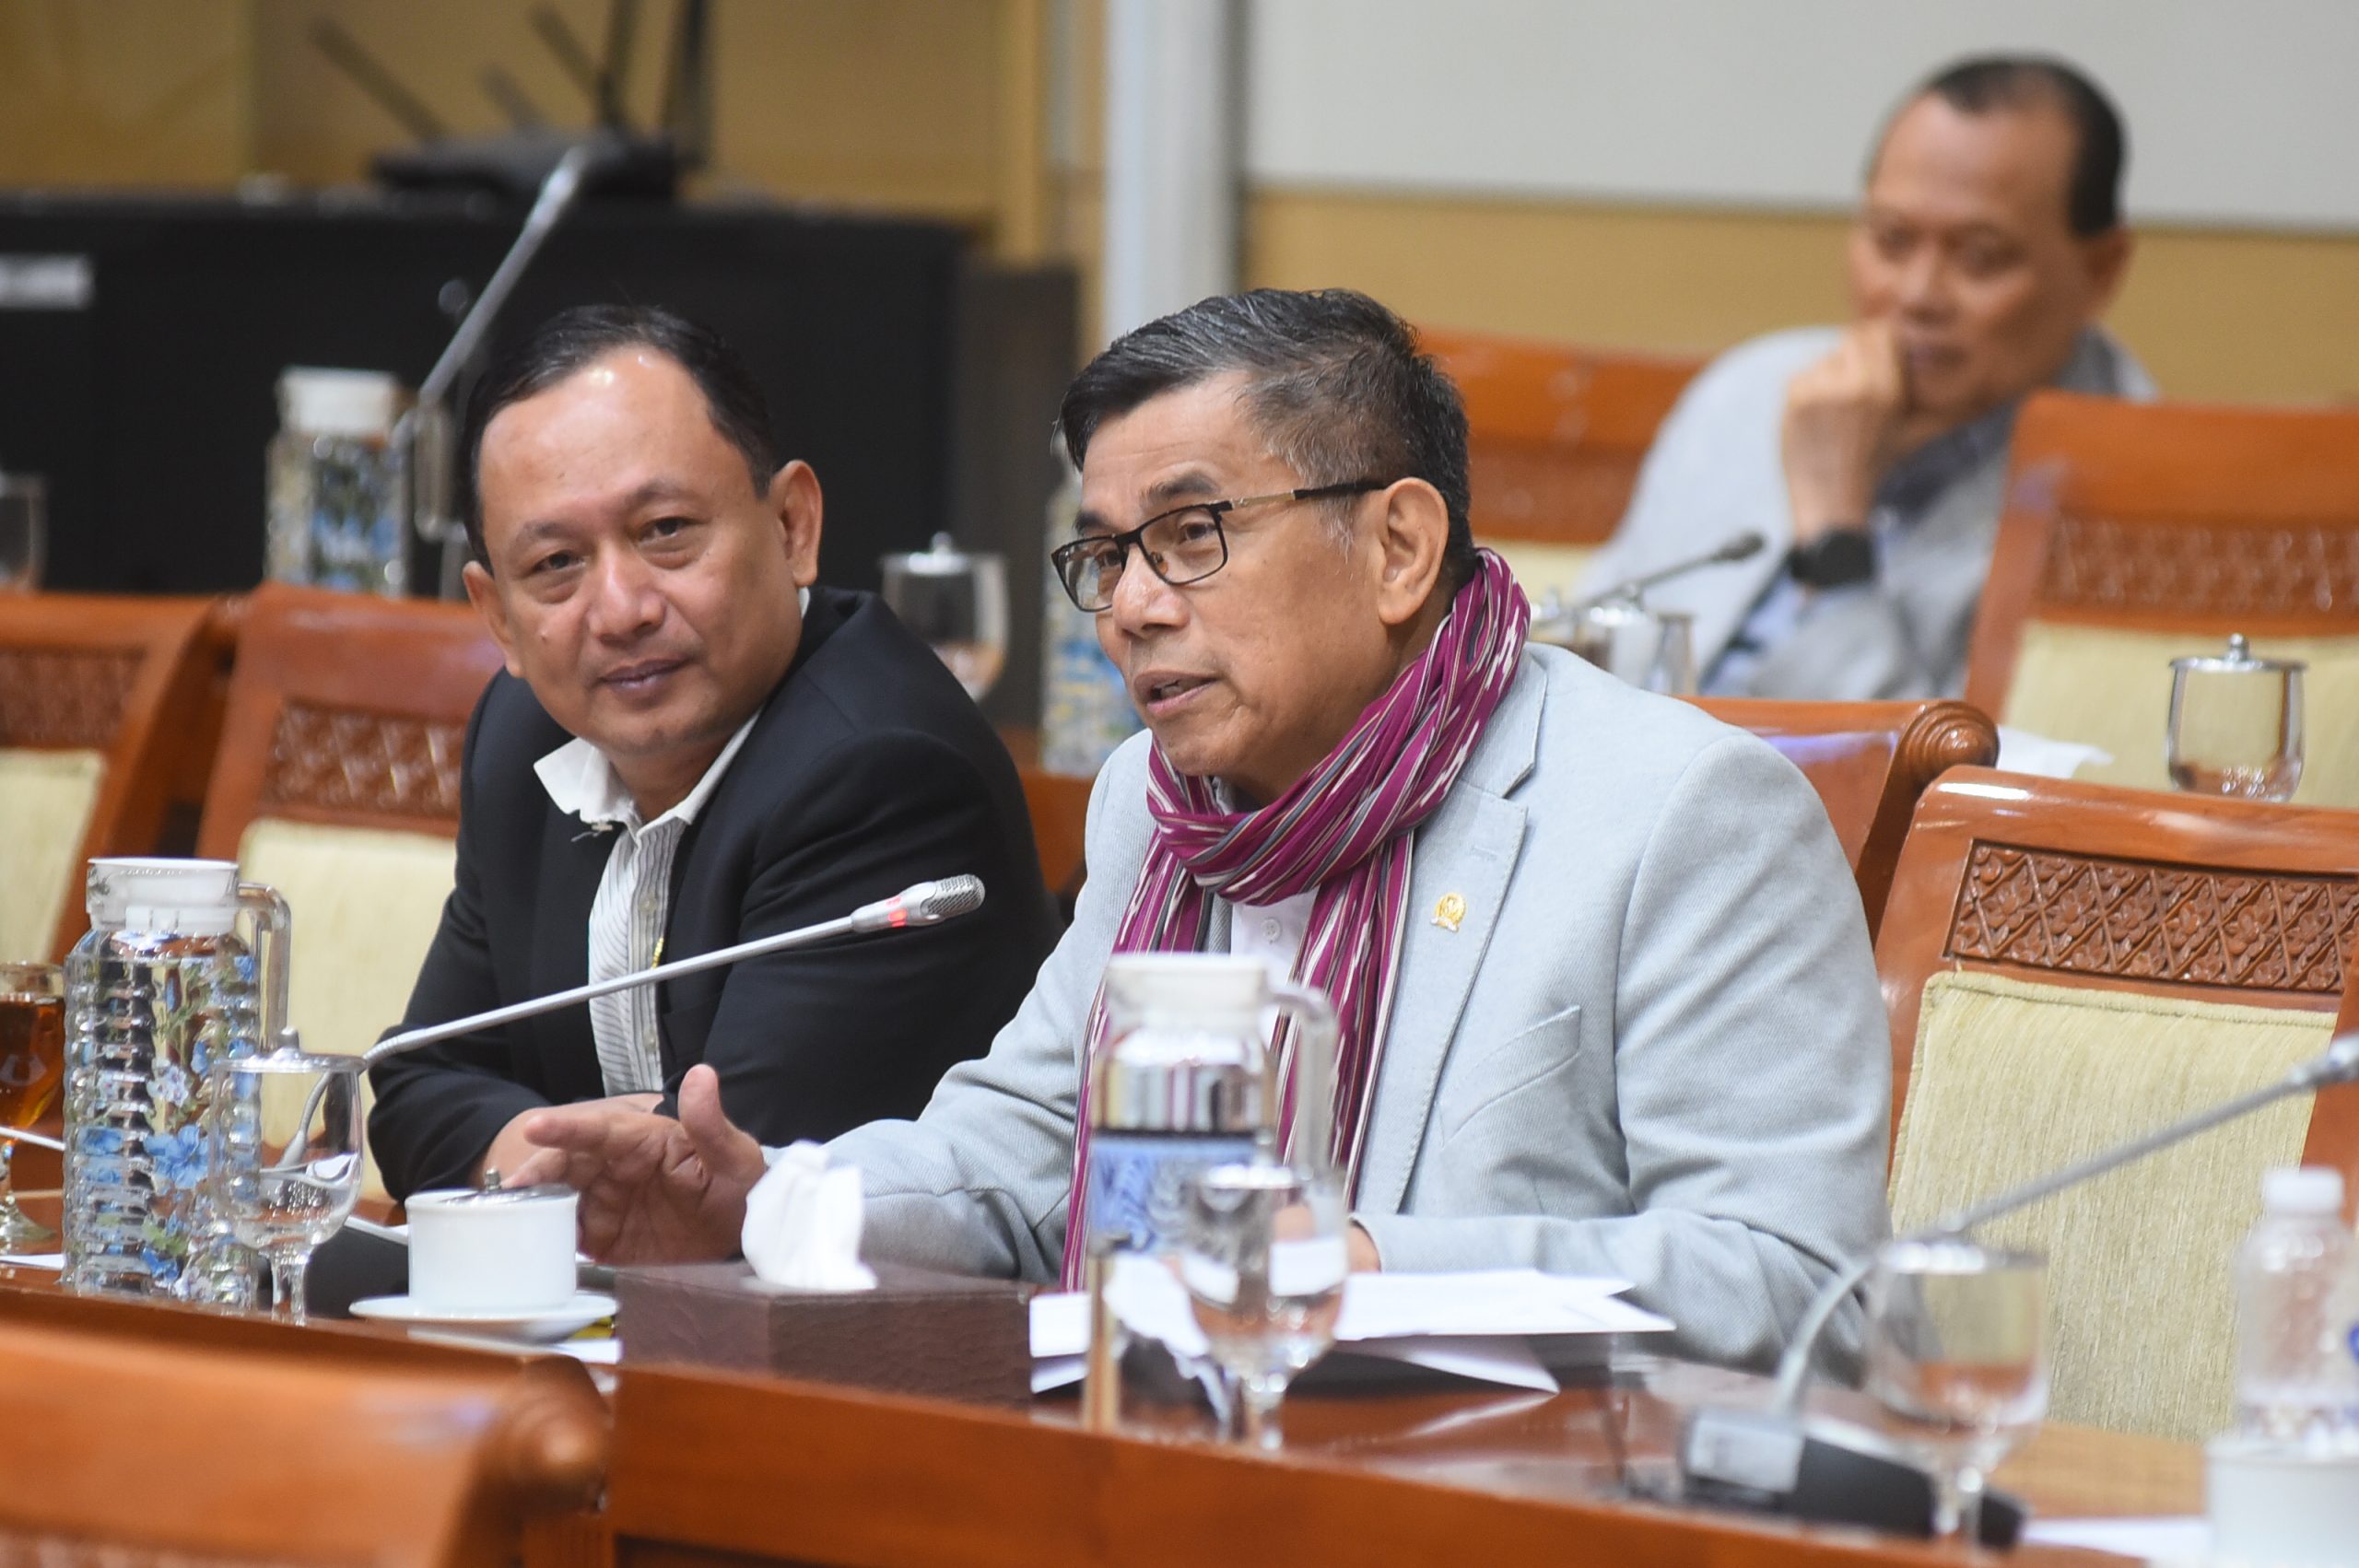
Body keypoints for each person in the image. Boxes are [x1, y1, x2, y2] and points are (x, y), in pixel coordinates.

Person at [511, 288, 1893, 1374]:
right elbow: (1024, 1145)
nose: (1131, 608)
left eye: (1190, 536)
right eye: (1106, 555)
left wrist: (1361, 1268)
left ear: (1400, 548)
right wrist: (776, 1205)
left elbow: (1797, 1283)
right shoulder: (1155, 799)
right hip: (1143, 1466)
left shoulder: (1679, 815)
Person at [366, 304, 1059, 1200]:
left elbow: (712, 1183)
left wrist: (528, 1154)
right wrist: (575, 1155)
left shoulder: (883, 773)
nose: (621, 610)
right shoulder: (525, 735)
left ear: (793, 526)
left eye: (666, 531)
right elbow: (415, 1087)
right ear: (498, 616)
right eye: (556, 564)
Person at [1578, 56, 2152, 701]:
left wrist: (1834, 540)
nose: (1918, 295)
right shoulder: (1750, 387)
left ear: (2101, 270)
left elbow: (1966, 761)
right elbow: (1586, 642)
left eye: (1981, 256)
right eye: (1892, 240)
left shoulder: (2139, 497)